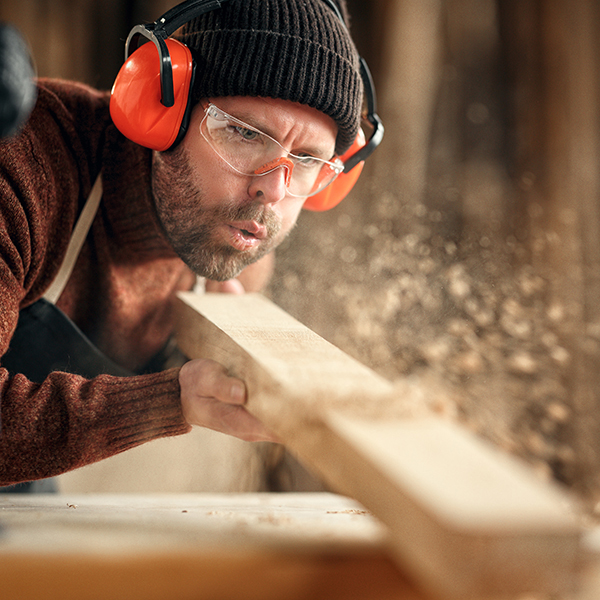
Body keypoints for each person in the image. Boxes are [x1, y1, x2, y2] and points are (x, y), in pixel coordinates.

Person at [0, 0, 382, 490]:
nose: (274, 190)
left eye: (307, 159)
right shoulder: (26, 172)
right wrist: (170, 399)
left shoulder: (240, 244)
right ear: (162, 112)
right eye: (244, 133)